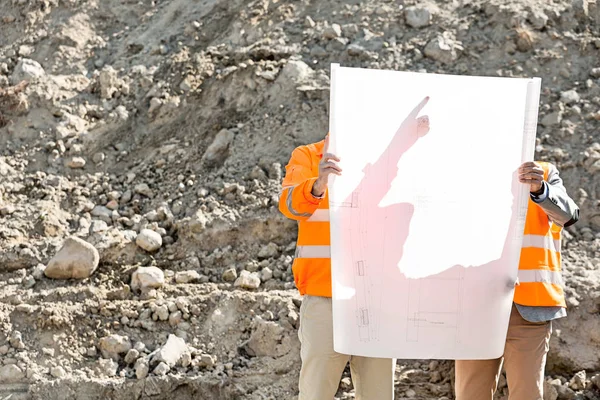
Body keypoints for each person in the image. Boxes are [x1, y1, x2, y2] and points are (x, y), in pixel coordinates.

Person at [279, 98, 431, 400]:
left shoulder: (383, 161)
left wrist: (409, 144)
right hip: (325, 300)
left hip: (377, 301)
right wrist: (319, 183)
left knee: (378, 394)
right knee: (315, 394)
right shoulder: (309, 156)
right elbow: (290, 206)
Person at [455, 161, 580, 400]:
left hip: (530, 308)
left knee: (527, 395)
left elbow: (569, 215)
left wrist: (540, 189)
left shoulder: (542, 171)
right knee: (470, 394)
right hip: (477, 306)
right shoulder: (469, 169)